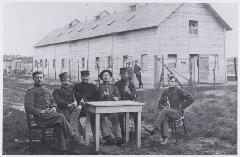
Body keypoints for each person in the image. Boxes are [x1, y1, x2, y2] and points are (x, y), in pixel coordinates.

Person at [24, 71, 82, 154]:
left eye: (41, 77)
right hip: (41, 118)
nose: (39, 79)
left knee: (60, 123)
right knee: (61, 117)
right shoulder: (30, 91)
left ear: (43, 78)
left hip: (51, 116)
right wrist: (42, 111)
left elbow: (53, 101)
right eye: (37, 78)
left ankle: (62, 149)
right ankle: (74, 137)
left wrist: (54, 107)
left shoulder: (46, 90)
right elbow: (28, 108)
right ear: (33, 79)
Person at [145, 74, 194, 144]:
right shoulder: (165, 91)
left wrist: (182, 106)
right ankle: (165, 137)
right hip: (167, 111)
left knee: (164, 112)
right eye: (169, 82)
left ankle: (154, 128)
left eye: (172, 81)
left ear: (175, 82)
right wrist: (163, 107)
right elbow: (160, 103)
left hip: (177, 112)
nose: (170, 83)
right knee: (164, 115)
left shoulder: (179, 91)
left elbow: (191, 99)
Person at [52, 72, 83, 144]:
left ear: (69, 81)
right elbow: (58, 101)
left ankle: (74, 140)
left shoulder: (72, 90)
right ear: (60, 81)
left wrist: (80, 105)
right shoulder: (56, 91)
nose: (66, 82)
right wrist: (68, 104)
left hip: (71, 111)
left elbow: (81, 98)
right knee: (71, 120)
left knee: (76, 113)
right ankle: (74, 139)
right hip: (62, 111)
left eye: (67, 81)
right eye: (64, 80)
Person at [98, 69, 122, 146]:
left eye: (107, 75)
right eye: (104, 75)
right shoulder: (99, 87)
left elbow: (118, 96)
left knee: (115, 120)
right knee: (101, 119)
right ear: (102, 77)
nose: (105, 77)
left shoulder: (113, 86)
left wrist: (117, 98)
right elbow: (97, 98)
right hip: (101, 108)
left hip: (111, 108)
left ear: (110, 77)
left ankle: (118, 138)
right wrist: (103, 95)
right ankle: (106, 136)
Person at [73, 70, 98, 141]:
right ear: (81, 77)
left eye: (87, 76)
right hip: (80, 108)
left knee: (94, 119)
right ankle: (84, 134)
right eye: (83, 76)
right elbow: (75, 96)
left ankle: (96, 139)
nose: (85, 78)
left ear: (89, 77)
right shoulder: (76, 86)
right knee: (74, 117)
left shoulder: (93, 86)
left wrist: (98, 89)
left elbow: (96, 98)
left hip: (90, 108)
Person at [115, 68, 137, 142]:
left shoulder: (131, 84)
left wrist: (129, 92)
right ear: (120, 75)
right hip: (120, 105)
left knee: (136, 114)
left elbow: (134, 96)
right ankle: (123, 134)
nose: (124, 75)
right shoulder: (117, 84)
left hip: (129, 105)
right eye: (122, 74)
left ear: (128, 74)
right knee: (120, 115)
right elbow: (114, 94)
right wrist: (117, 97)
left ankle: (137, 133)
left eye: (125, 73)